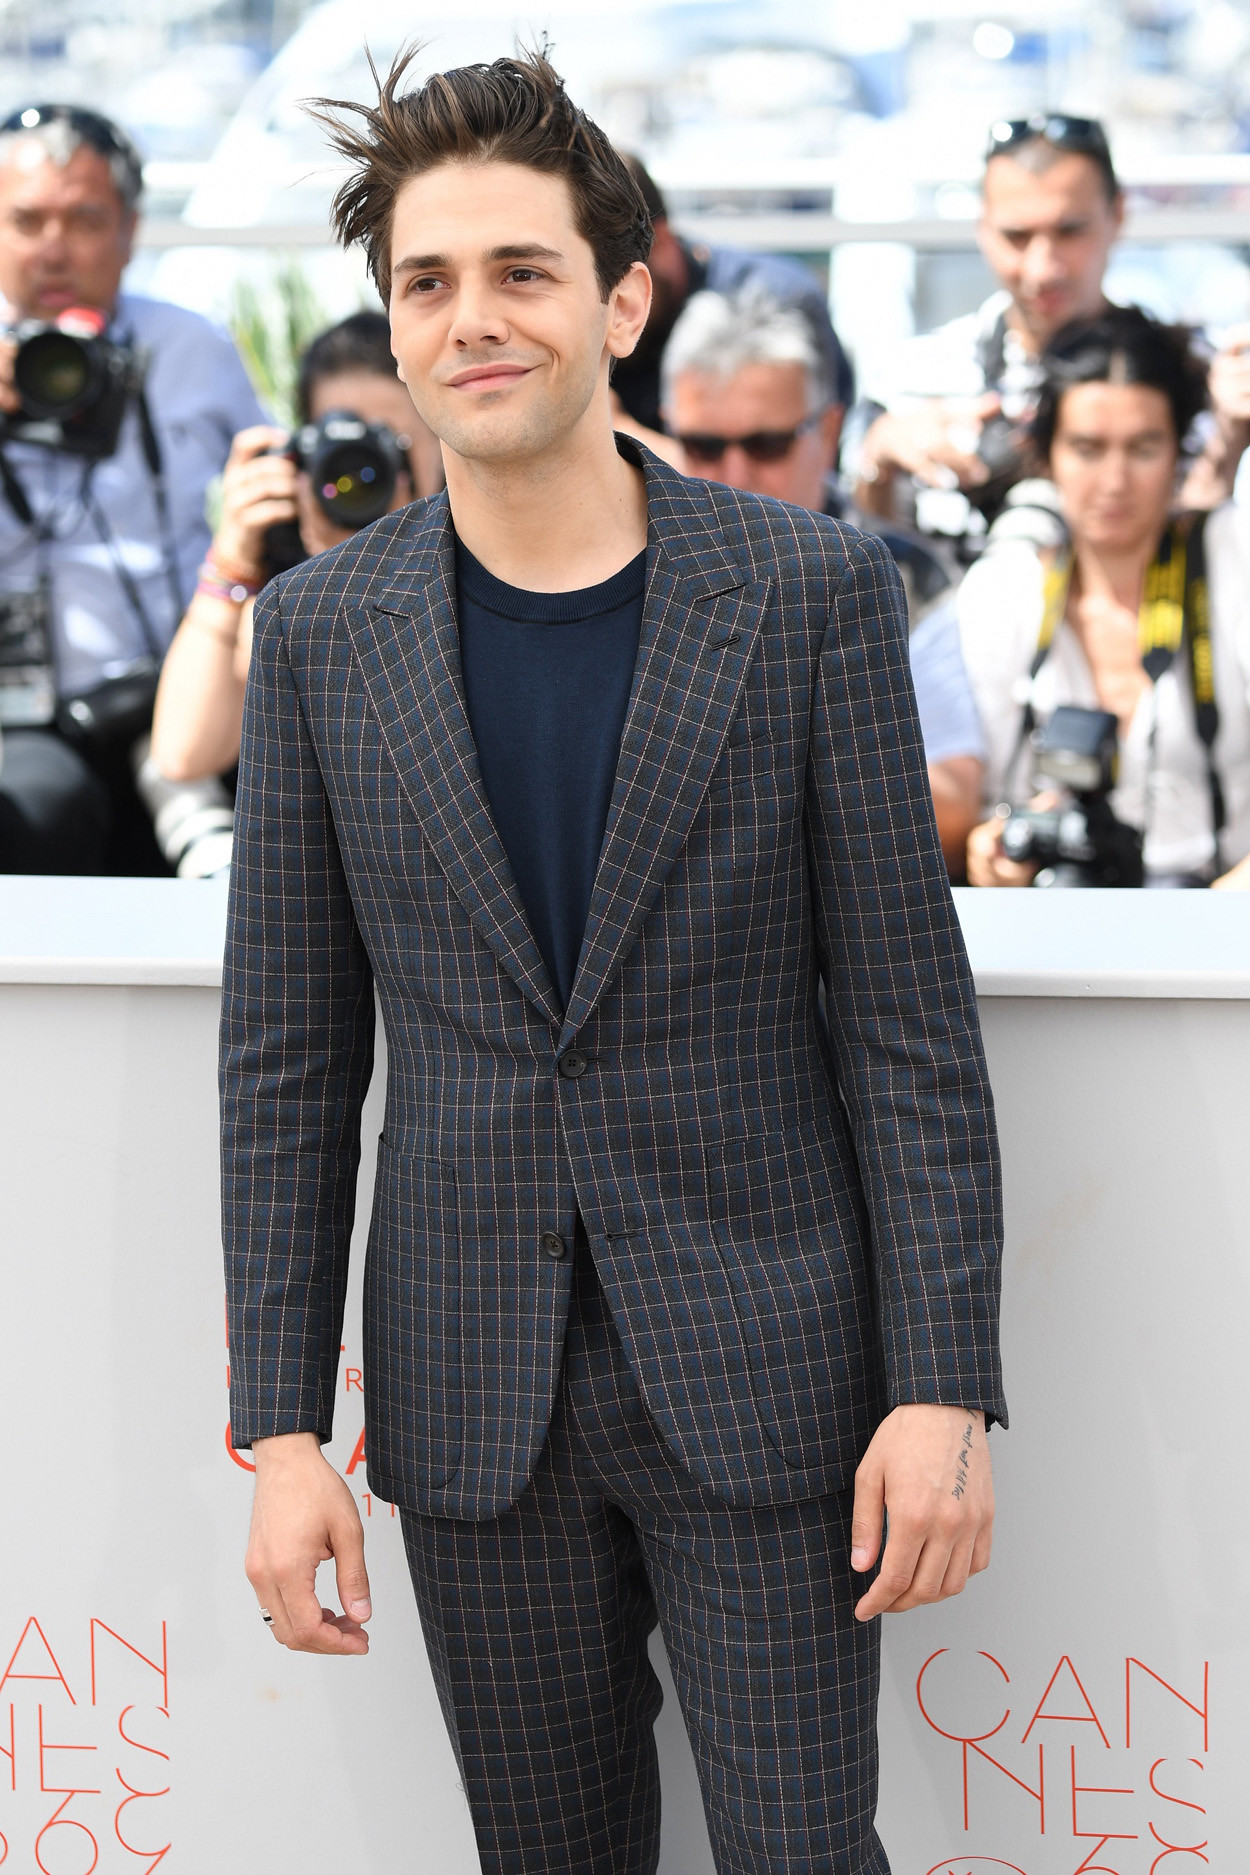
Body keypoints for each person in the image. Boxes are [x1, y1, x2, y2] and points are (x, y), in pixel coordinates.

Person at [221, 47, 1004, 1875]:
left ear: (621, 300)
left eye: (522, 270)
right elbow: (288, 1062)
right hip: (469, 1388)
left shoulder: (809, 594)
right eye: (428, 281)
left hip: (771, 1372)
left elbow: (906, 1025)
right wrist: (280, 1429)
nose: (473, 319)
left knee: (805, 1853)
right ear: (394, 324)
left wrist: (943, 1382)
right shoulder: (322, 634)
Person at [0, 104, 265, 874]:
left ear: (130, 230)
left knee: (241, 805)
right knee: (39, 810)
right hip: (21, 720)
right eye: (25, 221)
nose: (53, 249)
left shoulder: (189, 346)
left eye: (84, 220)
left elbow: (275, 482)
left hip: (174, 689)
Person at [662, 283, 985, 874]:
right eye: (703, 446)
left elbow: (953, 808)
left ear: (829, 431)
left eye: (767, 444)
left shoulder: (904, 574)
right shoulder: (625, 563)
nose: (734, 474)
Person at [853, 114, 1250, 540]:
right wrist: (878, 465)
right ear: (982, 228)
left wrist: (1229, 444)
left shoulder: (1205, 374)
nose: (1043, 269)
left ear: (1117, 215)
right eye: (1017, 236)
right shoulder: (909, 378)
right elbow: (860, 559)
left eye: (1070, 231)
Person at [961, 305, 1250, 890]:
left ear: (1179, 451)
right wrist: (989, 852)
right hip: (1053, 923)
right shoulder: (1002, 591)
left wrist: (1219, 913)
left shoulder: (1235, 558)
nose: (1115, 482)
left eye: (1143, 448)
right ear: (1046, 455)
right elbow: (964, 795)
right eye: (1088, 449)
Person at [150, 310, 441, 784]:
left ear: (443, 441)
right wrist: (232, 558)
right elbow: (183, 756)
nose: (357, 473)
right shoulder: (281, 586)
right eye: (337, 448)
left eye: (386, 442)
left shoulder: (477, 559)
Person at [610, 153, 854, 441]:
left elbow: (780, 463)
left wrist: (618, 431)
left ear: (661, 240)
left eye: (619, 279)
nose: (614, 307)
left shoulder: (777, 301)